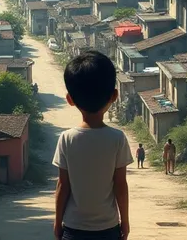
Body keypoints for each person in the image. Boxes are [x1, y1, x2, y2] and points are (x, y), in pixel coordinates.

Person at [53, 50, 133, 240]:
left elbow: (63, 186)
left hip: (73, 229)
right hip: (108, 229)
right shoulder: (117, 139)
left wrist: (57, 223)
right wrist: (126, 222)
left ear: (70, 99)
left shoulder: (66, 138)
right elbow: (120, 185)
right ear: (113, 96)